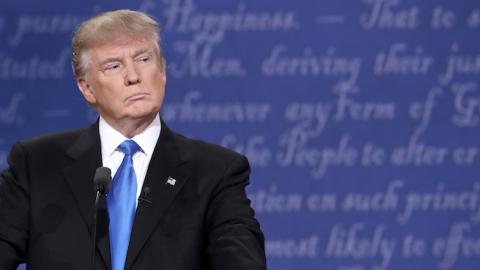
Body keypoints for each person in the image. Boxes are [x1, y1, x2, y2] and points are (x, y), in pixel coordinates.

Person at [0, 9, 266, 270]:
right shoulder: (36, 165)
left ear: (162, 70)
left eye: (143, 59)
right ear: (87, 88)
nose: (133, 76)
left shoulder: (215, 172)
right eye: (114, 66)